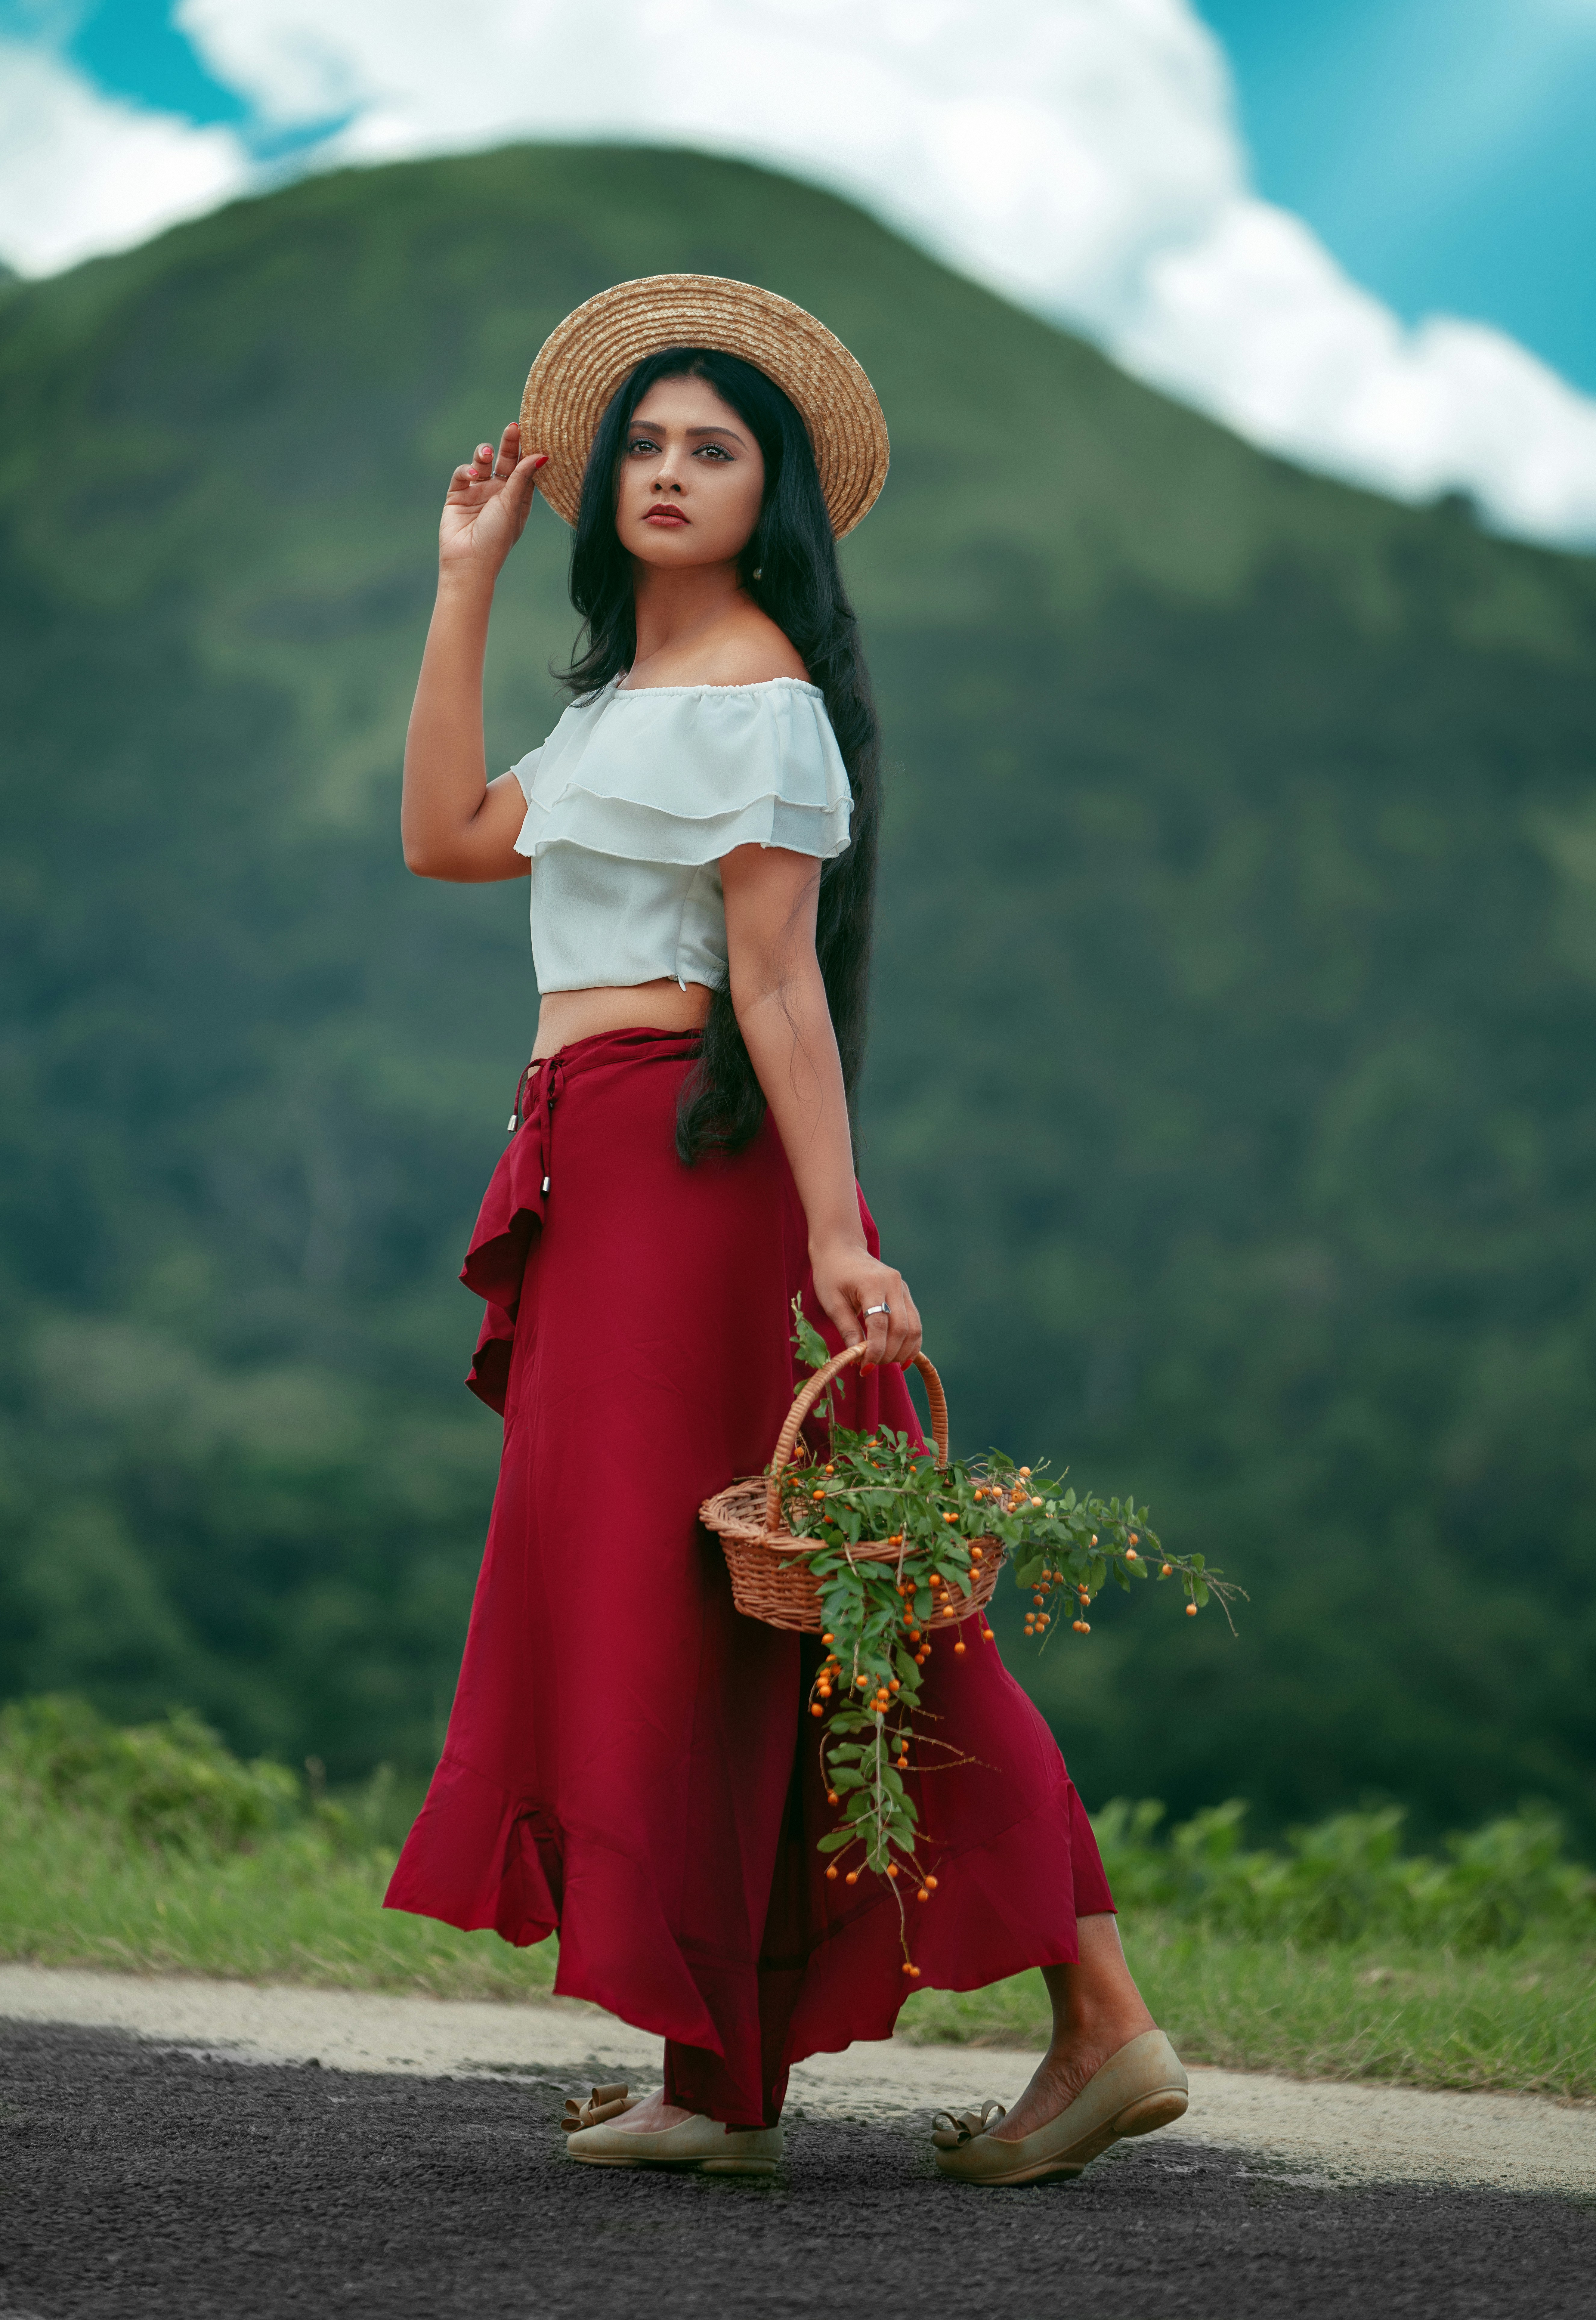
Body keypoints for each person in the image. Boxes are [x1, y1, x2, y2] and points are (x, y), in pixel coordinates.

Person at [385, 275, 1188, 2184]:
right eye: (645, 446)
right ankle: (720, 2078)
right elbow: (442, 837)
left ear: (774, 497)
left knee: (842, 1599)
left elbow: (777, 983)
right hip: (605, 1161)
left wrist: (834, 1233)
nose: (668, 473)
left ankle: (1099, 2018)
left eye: (714, 451)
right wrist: (462, 579)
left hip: (694, 1172)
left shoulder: (755, 699)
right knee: (706, 1610)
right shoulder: (627, 704)